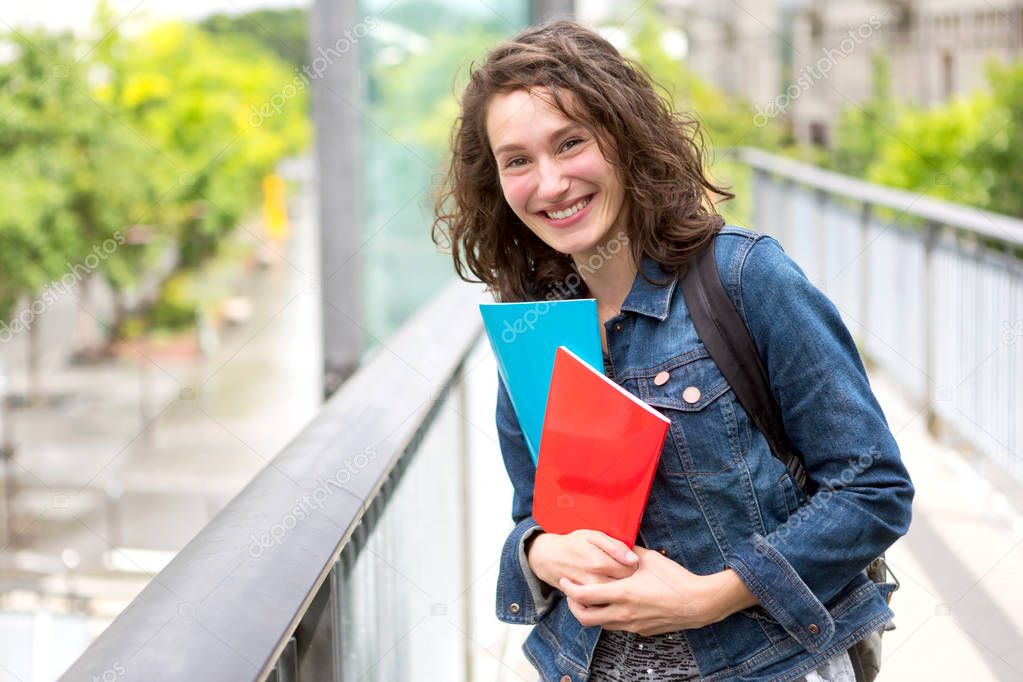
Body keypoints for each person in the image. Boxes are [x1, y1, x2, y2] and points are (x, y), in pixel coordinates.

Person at [432, 20, 914, 682]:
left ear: (623, 139)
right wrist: (542, 554)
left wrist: (706, 597)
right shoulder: (530, 326)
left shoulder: (744, 277)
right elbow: (534, 515)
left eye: (569, 143)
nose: (549, 184)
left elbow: (872, 488)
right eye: (517, 160)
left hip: (764, 666)